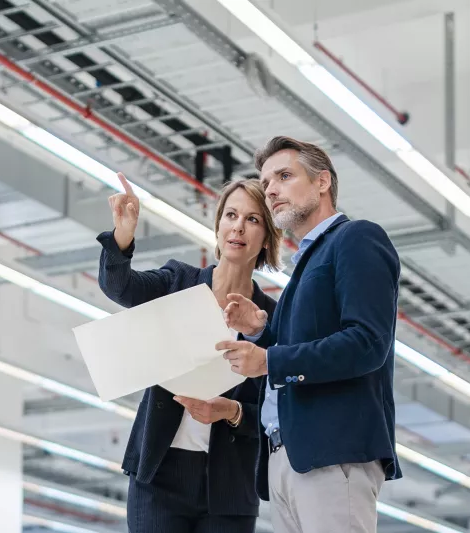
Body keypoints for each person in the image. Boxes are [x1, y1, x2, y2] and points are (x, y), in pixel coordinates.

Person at [217, 136, 402, 533]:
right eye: (266, 183)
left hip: (331, 453)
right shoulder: (304, 266)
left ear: (323, 182)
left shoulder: (356, 239)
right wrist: (263, 331)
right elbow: (301, 346)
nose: (271, 190)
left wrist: (269, 360)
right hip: (287, 457)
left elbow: (368, 342)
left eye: (284, 176)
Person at [97, 172, 282, 533]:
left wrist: (232, 411)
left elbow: (281, 409)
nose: (238, 228)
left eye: (252, 219)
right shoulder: (177, 282)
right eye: (230, 215)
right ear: (217, 228)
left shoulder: (273, 319)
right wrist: (123, 235)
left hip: (230, 485)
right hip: (159, 476)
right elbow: (120, 288)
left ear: (266, 239)